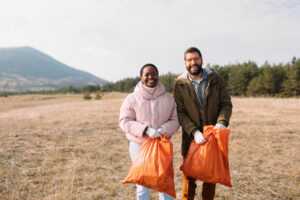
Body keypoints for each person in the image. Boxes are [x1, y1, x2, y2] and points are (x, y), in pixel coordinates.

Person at [173, 47, 233, 200]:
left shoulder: (216, 79)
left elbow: (226, 104)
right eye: (189, 60)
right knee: (189, 181)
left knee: (209, 180)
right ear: (185, 63)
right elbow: (180, 112)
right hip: (190, 139)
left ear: (201, 60)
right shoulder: (180, 84)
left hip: (212, 138)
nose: (193, 62)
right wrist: (194, 131)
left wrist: (221, 123)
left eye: (196, 59)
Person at [119, 63, 179, 200]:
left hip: (162, 145)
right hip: (139, 146)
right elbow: (124, 121)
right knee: (142, 184)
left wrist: (163, 130)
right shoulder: (132, 98)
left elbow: (176, 120)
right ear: (141, 77)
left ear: (158, 76)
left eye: (154, 74)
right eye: (147, 74)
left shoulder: (169, 99)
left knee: (165, 182)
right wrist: (146, 130)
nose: (150, 77)